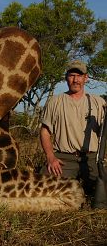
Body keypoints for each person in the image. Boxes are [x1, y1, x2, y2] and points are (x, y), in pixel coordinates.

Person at [40, 60, 106, 195]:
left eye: (79, 75)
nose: (75, 80)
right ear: (66, 78)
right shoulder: (55, 101)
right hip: (64, 158)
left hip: (92, 158)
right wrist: (50, 157)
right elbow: (45, 131)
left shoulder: (98, 102)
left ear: (85, 78)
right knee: (43, 185)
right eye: (71, 75)